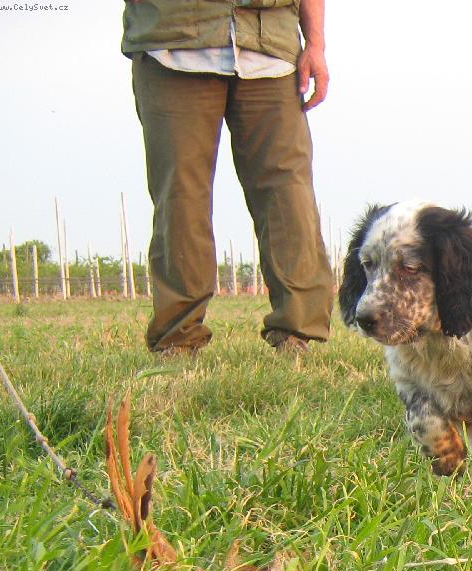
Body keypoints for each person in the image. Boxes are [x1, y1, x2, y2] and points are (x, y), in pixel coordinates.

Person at [122, 0, 335, 354]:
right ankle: (178, 336)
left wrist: (316, 45)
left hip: (272, 47)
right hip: (173, 43)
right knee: (180, 195)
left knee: (289, 193)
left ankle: (297, 332)